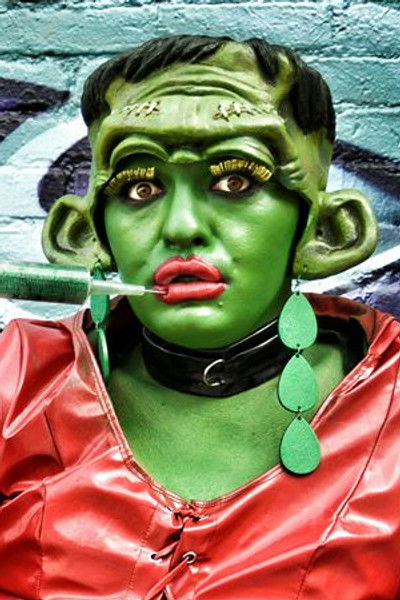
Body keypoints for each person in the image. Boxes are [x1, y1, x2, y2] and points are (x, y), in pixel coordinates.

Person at [0, 35, 399, 599]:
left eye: (236, 181)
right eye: (140, 186)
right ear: (85, 234)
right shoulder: (17, 384)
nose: (182, 226)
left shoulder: (391, 398)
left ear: (327, 231)